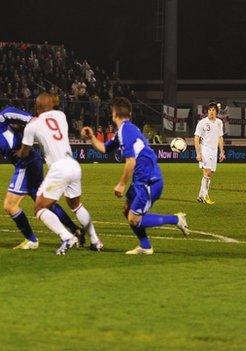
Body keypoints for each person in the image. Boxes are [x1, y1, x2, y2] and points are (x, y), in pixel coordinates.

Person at [0, 105, 86, 250]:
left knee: (10, 205)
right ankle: (75, 230)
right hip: (31, 162)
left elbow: (18, 115)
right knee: (45, 203)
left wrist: (30, 124)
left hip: (25, 163)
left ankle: (33, 240)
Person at [81, 98, 189, 255]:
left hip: (149, 181)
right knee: (127, 210)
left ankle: (176, 219)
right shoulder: (125, 130)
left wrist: (121, 184)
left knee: (134, 218)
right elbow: (104, 148)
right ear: (129, 114)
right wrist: (92, 137)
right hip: (142, 180)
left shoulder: (126, 131)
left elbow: (131, 161)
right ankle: (145, 246)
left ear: (113, 114)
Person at [16, 93, 100, 255]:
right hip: (73, 165)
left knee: (39, 208)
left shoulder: (32, 125)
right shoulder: (61, 115)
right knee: (76, 205)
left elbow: (25, 152)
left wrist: (18, 152)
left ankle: (67, 237)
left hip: (59, 168)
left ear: (37, 107)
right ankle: (96, 241)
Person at [194, 102, 225, 204]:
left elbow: (220, 137)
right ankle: (206, 196)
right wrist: (198, 153)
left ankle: (200, 195)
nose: (211, 112)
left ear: (216, 112)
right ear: (207, 111)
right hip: (205, 149)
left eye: (213, 110)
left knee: (210, 174)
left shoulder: (219, 122)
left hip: (214, 150)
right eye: (210, 110)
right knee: (207, 172)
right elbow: (196, 138)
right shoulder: (202, 122)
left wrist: (221, 152)